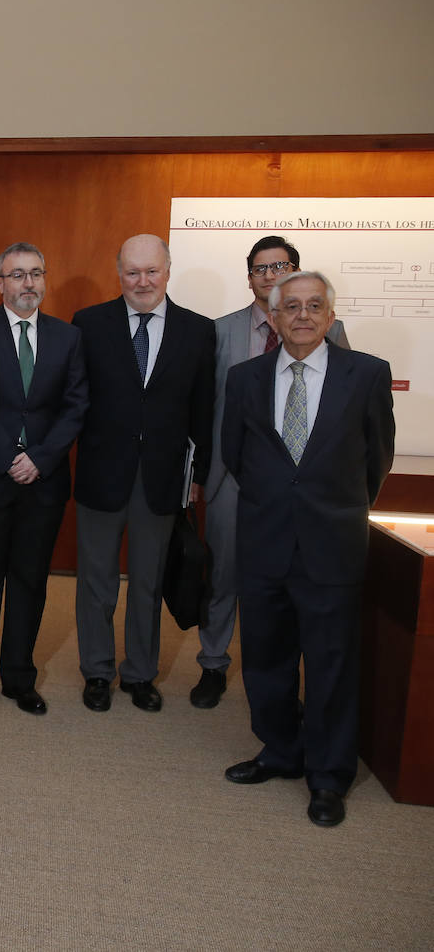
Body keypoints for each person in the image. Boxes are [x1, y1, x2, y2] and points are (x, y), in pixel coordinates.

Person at [222, 270, 393, 828]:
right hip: (265, 540)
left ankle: (328, 776)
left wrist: (336, 509)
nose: (301, 315)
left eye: (313, 306)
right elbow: (235, 454)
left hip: (332, 546)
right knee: (266, 660)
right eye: (289, 306)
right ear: (272, 317)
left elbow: (377, 462)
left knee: (330, 666)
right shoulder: (245, 377)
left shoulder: (366, 374)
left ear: (329, 315)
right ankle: (279, 751)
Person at [196, 236, 348, 709]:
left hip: (302, 485)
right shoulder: (220, 331)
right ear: (249, 278)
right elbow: (207, 408)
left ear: (295, 271)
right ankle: (213, 664)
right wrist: (202, 472)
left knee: (294, 581)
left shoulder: (332, 330)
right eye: (260, 269)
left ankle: (291, 674)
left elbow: (346, 407)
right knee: (223, 574)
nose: (269, 275)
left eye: (279, 266)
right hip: (232, 477)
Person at [72, 234, 213, 713]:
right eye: (132, 272)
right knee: (97, 580)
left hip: (162, 476)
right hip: (100, 473)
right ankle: (96, 671)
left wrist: (201, 473)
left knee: (149, 580)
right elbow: (77, 399)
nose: (142, 281)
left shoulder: (198, 331)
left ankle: (139, 674)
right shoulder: (88, 324)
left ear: (168, 271)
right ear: (119, 273)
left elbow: (203, 408)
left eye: (152, 271)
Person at [0, 242, 87, 715]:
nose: (28, 283)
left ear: (44, 279)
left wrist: (41, 458)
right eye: (17, 275)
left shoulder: (67, 338)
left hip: (44, 482)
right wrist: (10, 455)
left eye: (35, 273)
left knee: (30, 580)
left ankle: (19, 677)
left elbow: (75, 407)